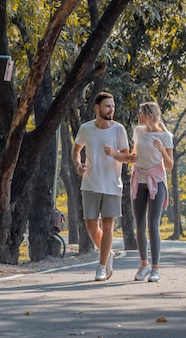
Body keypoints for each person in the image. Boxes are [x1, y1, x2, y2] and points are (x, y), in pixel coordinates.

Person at [72, 92, 130, 281]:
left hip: (112, 184)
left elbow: (126, 157)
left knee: (107, 224)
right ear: (97, 108)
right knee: (91, 225)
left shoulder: (119, 129)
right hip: (89, 183)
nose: (111, 109)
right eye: (107, 106)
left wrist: (114, 153)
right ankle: (109, 253)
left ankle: (102, 265)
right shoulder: (86, 128)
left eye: (112, 106)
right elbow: (76, 149)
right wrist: (78, 164)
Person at [128, 101, 174, 283]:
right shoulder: (138, 131)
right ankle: (143, 264)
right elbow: (134, 153)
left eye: (140, 113)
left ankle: (155, 268)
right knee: (139, 225)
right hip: (139, 179)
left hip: (157, 181)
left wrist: (162, 149)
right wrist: (130, 158)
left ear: (150, 116)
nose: (138, 116)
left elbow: (169, 166)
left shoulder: (165, 136)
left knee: (153, 224)